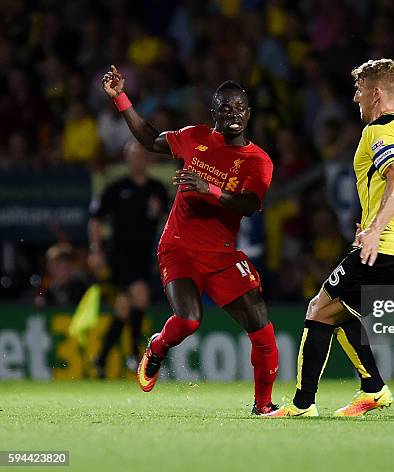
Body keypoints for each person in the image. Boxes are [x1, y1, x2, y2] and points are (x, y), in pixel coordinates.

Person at [265, 59, 394, 417]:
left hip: (383, 248)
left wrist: (377, 229)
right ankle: (374, 389)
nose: (355, 98)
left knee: (318, 309)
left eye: (359, 90)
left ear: (376, 94)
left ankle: (303, 404)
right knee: (339, 312)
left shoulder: (377, 131)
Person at [101, 65, 279, 415]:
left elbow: (250, 205)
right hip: (178, 246)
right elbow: (149, 139)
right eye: (226, 108)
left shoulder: (258, 161)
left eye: (240, 108)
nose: (234, 115)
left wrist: (208, 188)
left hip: (223, 254)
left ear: (249, 114)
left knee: (262, 328)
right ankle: (157, 348)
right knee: (189, 321)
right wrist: (121, 97)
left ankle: (264, 406)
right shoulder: (193, 137)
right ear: (214, 112)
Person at [90, 141, 169, 377]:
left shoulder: (158, 189)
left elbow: (168, 221)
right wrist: (96, 250)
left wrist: (163, 246)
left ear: (148, 160)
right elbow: (95, 218)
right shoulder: (116, 188)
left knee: (125, 307)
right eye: (134, 156)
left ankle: (101, 358)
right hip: (119, 255)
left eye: (142, 156)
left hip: (144, 255)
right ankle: (134, 355)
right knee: (141, 296)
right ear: (127, 160)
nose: (138, 160)